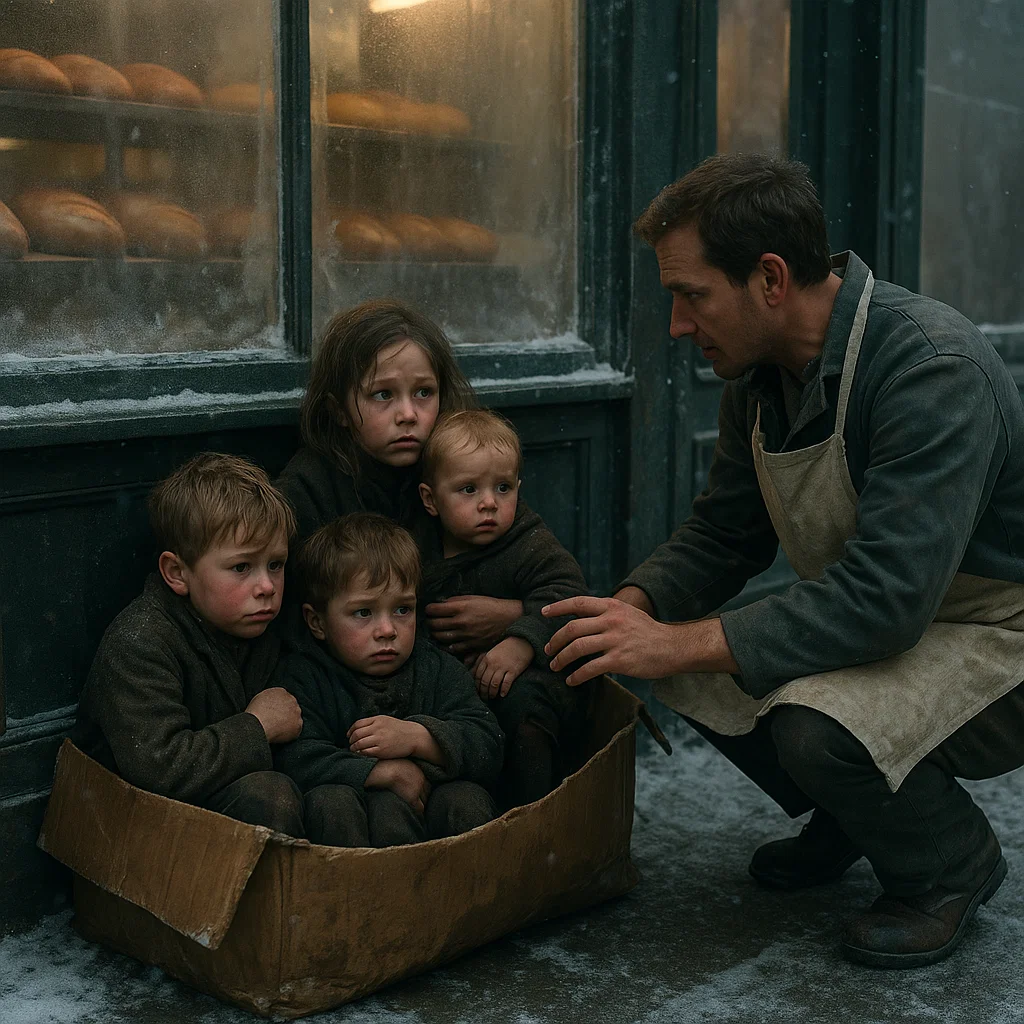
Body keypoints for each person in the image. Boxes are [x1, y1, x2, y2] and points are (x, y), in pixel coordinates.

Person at [543, 152, 1024, 968]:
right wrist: (629, 613)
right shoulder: (760, 378)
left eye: (692, 295)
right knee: (690, 668)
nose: (677, 326)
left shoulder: (931, 368)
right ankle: (861, 814)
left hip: (999, 636)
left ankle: (948, 863)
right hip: (897, 621)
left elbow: (885, 600)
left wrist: (674, 641)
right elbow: (725, 534)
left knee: (810, 725)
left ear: (769, 278)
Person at [73, 453, 306, 836]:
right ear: (177, 573)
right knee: (268, 795)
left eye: (276, 565)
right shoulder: (141, 641)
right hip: (138, 830)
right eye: (241, 567)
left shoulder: (268, 629)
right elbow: (159, 766)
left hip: (215, 803)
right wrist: (259, 726)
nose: (267, 586)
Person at [274, 297, 522, 653]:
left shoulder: (459, 466)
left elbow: (540, 560)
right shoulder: (308, 489)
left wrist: (515, 615)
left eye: (423, 392)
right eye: (383, 394)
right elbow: (292, 619)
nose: (408, 414)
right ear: (339, 409)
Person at [273, 512, 503, 847]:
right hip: (349, 839)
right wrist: (378, 773)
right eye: (363, 612)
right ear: (317, 622)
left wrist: (419, 738)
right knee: (331, 801)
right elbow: (294, 757)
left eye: (402, 609)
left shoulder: (437, 669)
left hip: (430, 828)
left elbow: (489, 744)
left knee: (465, 799)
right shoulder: (305, 676)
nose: (387, 630)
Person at [418, 410, 590, 806]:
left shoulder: (528, 541)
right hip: (452, 690)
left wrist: (521, 643)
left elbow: (570, 596)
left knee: (526, 710)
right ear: (430, 499)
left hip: (520, 684)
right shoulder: (418, 547)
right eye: (468, 490)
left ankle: (532, 812)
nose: (489, 504)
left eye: (503, 488)